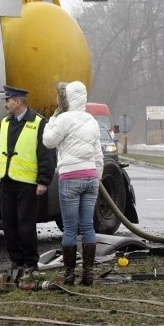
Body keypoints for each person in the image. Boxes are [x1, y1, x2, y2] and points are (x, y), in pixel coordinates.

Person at [43, 81, 103, 286]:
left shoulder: (64, 119)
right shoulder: (92, 121)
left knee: (70, 228)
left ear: (67, 97)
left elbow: (48, 141)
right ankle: (88, 274)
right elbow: (98, 155)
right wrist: (97, 177)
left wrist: (51, 120)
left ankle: (69, 275)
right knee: (88, 226)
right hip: (91, 177)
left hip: (70, 177)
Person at [0, 85, 56, 272]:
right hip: (7, 181)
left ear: (18, 101)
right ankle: (16, 261)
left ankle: (30, 262)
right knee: (9, 225)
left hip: (27, 184)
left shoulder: (38, 123)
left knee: (26, 225)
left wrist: (43, 180)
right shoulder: (5, 123)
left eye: (8, 100)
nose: (5, 104)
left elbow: (47, 154)